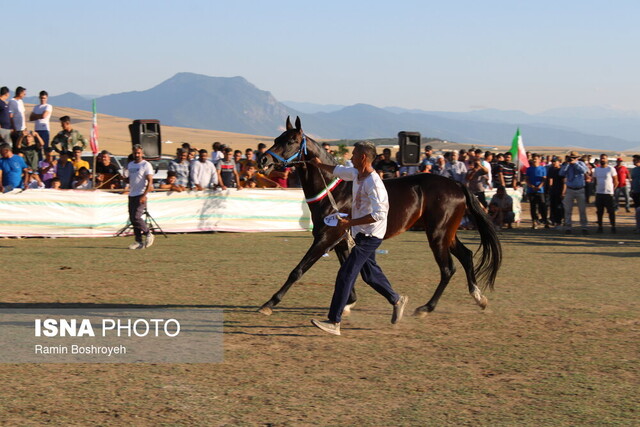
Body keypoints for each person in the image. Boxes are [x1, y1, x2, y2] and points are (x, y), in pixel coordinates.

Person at [309, 141, 408, 336]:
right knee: (370, 275)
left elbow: (380, 214)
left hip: (370, 235)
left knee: (346, 274)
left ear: (363, 157)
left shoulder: (374, 184)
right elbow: (337, 170)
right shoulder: (356, 174)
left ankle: (334, 321)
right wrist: (318, 164)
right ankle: (396, 299)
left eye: (354, 154)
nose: (351, 157)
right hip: (360, 233)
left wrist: (350, 222)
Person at [123, 145, 154, 250]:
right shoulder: (130, 164)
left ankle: (148, 233)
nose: (137, 155)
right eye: (135, 153)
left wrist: (144, 195)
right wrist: (124, 178)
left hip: (141, 194)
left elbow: (150, 181)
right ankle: (138, 241)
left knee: (136, 217)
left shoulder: (146, 165)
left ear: (142, 153)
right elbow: (129, 180)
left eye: (139, 153)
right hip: (132, 194)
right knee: (132, 218)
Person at [559, 150, 589, 234]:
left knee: (582, 210)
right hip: (570, 189)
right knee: (568, 210)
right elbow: (561, 173)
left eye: (574, 158)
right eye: (571, 157)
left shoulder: (581, 164)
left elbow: (583, 171)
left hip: (580, 189)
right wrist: (567, 164)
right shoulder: (567, 165)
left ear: (577, 158)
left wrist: (575, 163)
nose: (572, 159)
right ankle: (568, 227)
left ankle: (584, 227)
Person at [593, 154, 618, 233]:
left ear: (607, 160)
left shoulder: (611, 169)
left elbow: (616, 181)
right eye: (601, 158)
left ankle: (613, 226)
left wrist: (612, 190)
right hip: (599, 193)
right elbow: (595, 180)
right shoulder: (596, 169)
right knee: (599, 211)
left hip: (608, 193)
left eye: (604, 158)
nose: (602, 160)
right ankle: (600, 226)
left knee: (611, 211)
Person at [525, 153, 548, 229]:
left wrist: (539, 186)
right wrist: (531, 186)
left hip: (540, 190)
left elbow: (544, 179)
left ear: (539, 160)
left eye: (536, 158)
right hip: (531, 190)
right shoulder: (529, 169)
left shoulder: (543, 168)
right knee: (533, 207)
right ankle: (534, 222)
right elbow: (527, 179)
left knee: (542, 206)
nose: (535, 160)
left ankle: (545, 221)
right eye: (534, 158)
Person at [546, 156, 564, 227]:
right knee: (553, 206)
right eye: (552, 162)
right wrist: (550, 188)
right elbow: (550, 179)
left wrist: (563, 191)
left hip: (560, 190)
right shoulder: (551, 169)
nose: (553, 163)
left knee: (559, 206)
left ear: (559, 162)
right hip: (553, 190)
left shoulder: (561, 170)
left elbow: (564, 181)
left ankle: (559, 221)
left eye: (555, 162)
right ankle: (553, 220)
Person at [630, 155, 640, 233]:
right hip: (636, 192)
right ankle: (638, 227)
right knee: (637, 210)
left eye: (635, 160)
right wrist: (631, 190)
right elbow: (632, 180)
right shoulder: (634, 170)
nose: (634, 162)